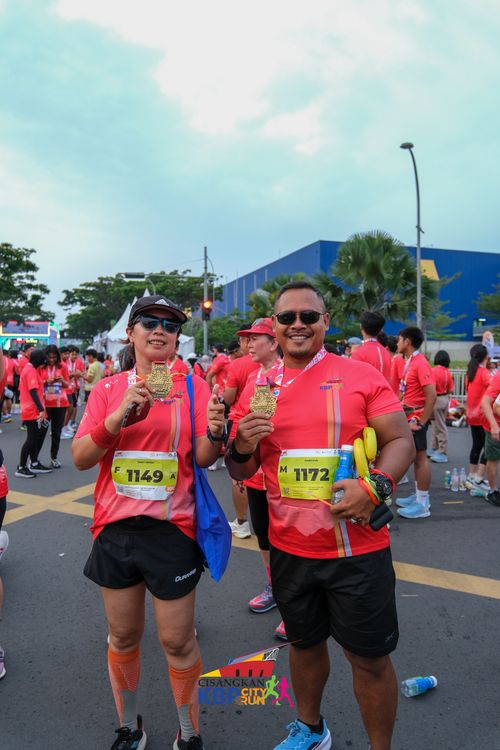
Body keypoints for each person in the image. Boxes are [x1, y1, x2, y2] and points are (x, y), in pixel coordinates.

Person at [227, 281, 414, 750]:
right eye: (287, 317)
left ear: (325, 322)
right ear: (274, 326)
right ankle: (311, 730)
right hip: (290, 549)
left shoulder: (359, 375)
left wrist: (375, 486)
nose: (298, 325)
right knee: (304, 646)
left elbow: (400, 440)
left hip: (357, 550)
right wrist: (242, 444)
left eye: (308, 316)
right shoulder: (261, 386)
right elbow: (242, 467)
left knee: (369, 659)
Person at [72, 294, 226, 750]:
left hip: (171, 531)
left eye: (170, 325)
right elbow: (80, 457)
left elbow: (203, 456)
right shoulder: (107, 389)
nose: (160, 330)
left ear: (177, 338)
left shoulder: (193, 387)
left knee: (177, 641)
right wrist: (118, 417)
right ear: (131, 332)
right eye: (149, 322)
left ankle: (189, 732)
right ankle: (128, 727)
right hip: (116, 531)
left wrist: (216, 431)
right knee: (122, 636)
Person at [395, 327, 436, 519]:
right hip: (410, 415)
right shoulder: (410, 361)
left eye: (399, 339)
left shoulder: (420, 363)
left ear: (407, 342)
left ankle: (423, 503)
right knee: (415, 459)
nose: (397, 343)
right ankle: (419, 495)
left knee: (420, 459)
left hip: (416, 417)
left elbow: (431, 395)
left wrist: (421, 421)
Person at [15, 349, 52, 477]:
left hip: (31, 409)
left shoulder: (29, 369)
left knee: (34, 438)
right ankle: (21, 467)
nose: (43, 364)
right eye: (42, 362)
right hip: (32, 410)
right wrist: (41, 409)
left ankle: (34, 463)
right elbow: (33, 392)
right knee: (31, 439)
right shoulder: (30, 370)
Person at [464, 344, 492, 492]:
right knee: (488, 447)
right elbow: (495, 388)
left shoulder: (470, 372)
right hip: (482, 415)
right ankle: (479, 478)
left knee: (477, 445)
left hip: (472, 414)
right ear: (485, 356)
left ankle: (472, 475)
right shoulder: (484, 373)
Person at [40, 345, 70, 468]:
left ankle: (54, 458)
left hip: (60, 404)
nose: (52, 359)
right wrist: (46, 381)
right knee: (41, 432)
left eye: (54, 357)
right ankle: (34, 460)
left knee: (56, 432)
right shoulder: (41, 366)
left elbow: (67, 385)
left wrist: (61, 380)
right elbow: (37, 383)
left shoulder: (63, 366)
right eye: (49, 357)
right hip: (45, 404)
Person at [351, 311, 391, 382]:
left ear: (361, 327)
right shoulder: (386, 352)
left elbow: (355, 381)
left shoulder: (358, 353)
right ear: (380, 331)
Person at [428, 350, 454, 463]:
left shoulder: (433, 371)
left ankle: (440, 451)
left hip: (436, 400)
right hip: (445, 399)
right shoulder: (448, 372)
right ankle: (436, 448)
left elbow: (430, 387)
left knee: (438, 426)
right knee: (439, 424)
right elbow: (451, 389)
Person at [480, 366, 500, 506]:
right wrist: (494, 426)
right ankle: (492, 491)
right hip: (495, 425)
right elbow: (486, 402)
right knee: (493, 459)